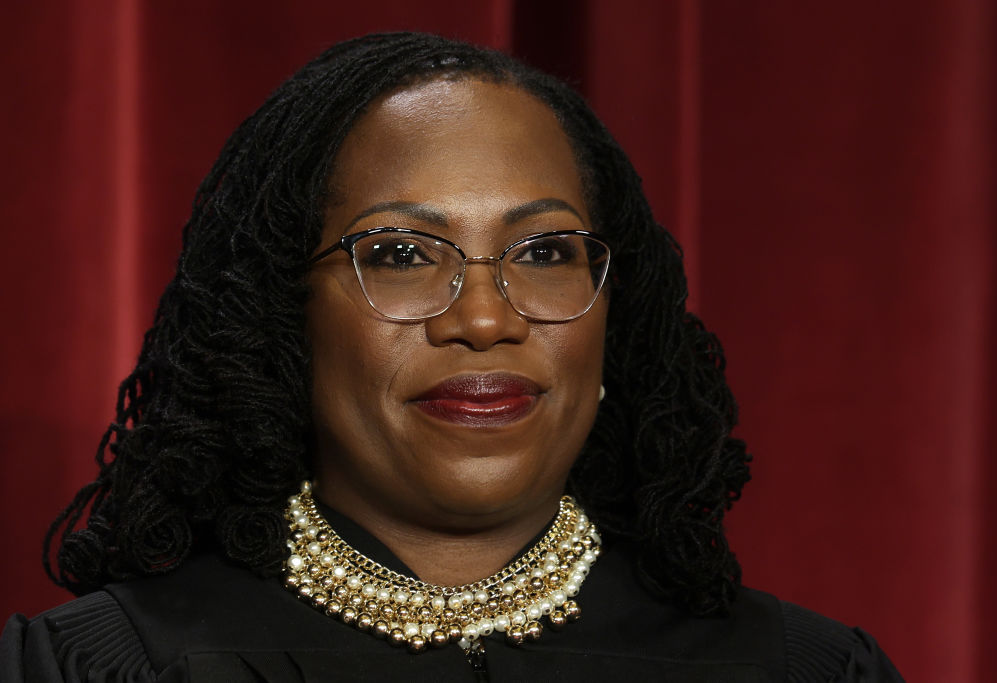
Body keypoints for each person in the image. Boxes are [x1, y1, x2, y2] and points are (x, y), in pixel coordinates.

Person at [0, 32, 902, 681]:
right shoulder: (99, 665)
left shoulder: (805, 668)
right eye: (398, 253)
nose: (482, 318)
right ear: (279, 317)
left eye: (545, 252)